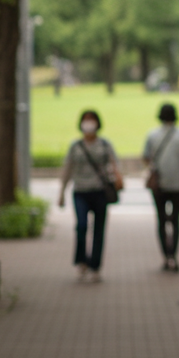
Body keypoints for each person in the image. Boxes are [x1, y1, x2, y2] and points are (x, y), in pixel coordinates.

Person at [58, 110, 122, 283]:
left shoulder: (105, 145)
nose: (89, 124)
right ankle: (81, 261)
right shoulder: (75, 146)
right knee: (81, 226)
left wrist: (118, 177)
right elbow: (67, 169)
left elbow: (115, 163)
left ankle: (95, 266)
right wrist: (61, 192)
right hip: (80, 192)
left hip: (100, 191)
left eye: (91, 120)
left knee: (99, 230)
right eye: (86, 120)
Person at [143, 102, 179, 272]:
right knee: (175, 220)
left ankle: (165, 256)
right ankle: (174, 255)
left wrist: (155, 166)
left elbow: (146, 158)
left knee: (161, 220)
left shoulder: (152, 135)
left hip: (159, 184)